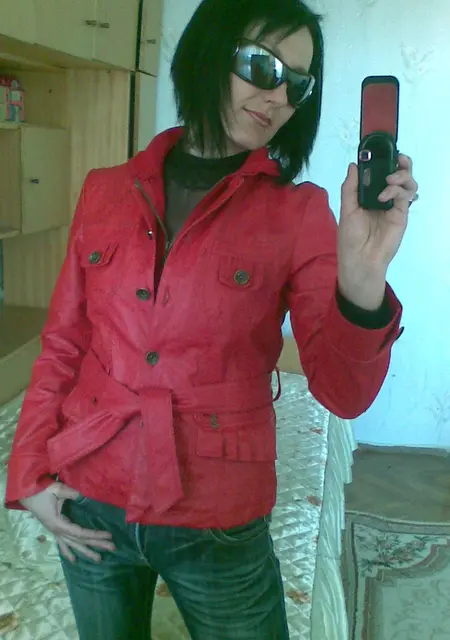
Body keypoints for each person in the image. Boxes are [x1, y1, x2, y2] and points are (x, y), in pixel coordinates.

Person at [4, 0, 418, 638]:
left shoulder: (298, 213)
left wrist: (363, 279)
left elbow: (343, 394)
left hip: (217, 515)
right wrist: (29, 470)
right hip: (92, 491)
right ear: (207, 52)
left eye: (298, 84)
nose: (278, 96)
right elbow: (63, 343)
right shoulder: (105, 190)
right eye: (263, 66)